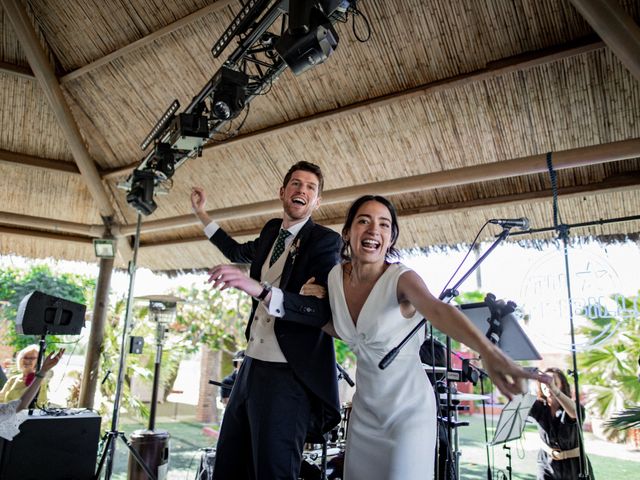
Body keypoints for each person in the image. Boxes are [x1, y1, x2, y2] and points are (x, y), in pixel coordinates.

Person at [281, 195, 550, 480]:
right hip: (364, 414)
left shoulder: (402, 278)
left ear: (391, 237)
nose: (374, 230)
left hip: (407, 413)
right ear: (347, 232)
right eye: (364, 221)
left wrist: (491, 354)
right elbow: (351, 334)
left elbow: (437, 309)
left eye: (384, 224)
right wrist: (311, 307)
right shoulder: (336, 277)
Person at [191, 160, 342, 480]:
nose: (302, 190)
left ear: (318, 201)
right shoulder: (271, 230)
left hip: (288, 375)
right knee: (228, 466)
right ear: (283, 192)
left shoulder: (325, 242)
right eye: (297, 184)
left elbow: (320, 311)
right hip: (250, 367)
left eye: (311, 188)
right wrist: (201, 214)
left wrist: (259, 289)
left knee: (273, 472)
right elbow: (235, 250)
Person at [529, 367, 595, 479]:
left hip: (574, 467)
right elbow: (517, 398)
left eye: (553, 380)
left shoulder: (573, 406)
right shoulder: (538, 407)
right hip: (545, 464)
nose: (547, 384)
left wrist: (554, 389)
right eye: (544, 381)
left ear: (562, 385)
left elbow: (575, 413)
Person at [0, 349, 64, 441]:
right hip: (8, 421)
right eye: (25, 357)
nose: (28, 361)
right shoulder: (13, 380)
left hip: (26, 424)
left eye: (32, 358)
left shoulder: (40, 382)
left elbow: (22, 406)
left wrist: (43, 371)